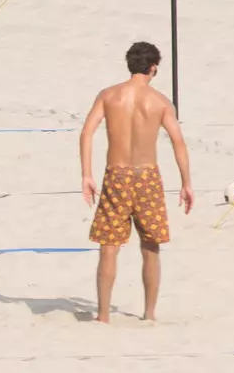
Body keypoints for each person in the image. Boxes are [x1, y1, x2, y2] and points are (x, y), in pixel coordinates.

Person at [79, 41, 192, 324]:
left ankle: (103, 315)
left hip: (116, 174)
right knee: (150, 246)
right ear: (153, 67)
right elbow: (178, 143)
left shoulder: (109, 95)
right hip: (147, 176)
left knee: (108, 246)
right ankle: (149, 313)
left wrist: (87, 174)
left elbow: (87, 133)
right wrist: (186, 182)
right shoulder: (160, 101)